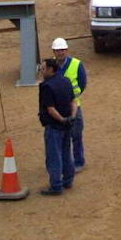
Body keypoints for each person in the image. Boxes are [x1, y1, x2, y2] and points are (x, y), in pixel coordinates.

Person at [38, 58, 77, 196]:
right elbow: (73, 101)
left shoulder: (47, 86)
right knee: (66, 152)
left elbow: (50, 109)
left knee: (54, 156)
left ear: (50, 70)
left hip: (54, 126)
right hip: (67, 125)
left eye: (43, 69)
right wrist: (71, 117)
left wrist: (61, 119)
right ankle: (68, 180)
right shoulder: (66, 81)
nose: (41, 71)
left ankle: (56, 186)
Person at [51, 37, 88, 169]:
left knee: (76, 134)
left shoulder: (77, 64)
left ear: (66, 50)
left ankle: (79, 161)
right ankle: (64, 162)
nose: (60, 53)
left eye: (62, 50)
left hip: (74, 105)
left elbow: (82, 83)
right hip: (57, 107)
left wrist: (73, 97)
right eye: (57, 50)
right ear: (53, 52)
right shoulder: (51, 66)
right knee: (60, 136)